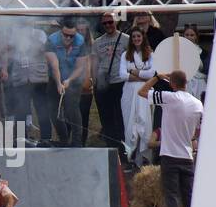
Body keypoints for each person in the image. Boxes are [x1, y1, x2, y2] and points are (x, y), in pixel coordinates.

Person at [139, 70, 203, 207]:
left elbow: (142, 92)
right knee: (188, 196)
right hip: (187, 156)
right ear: (186, 83)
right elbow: (197, 131)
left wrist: (157, 77)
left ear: (172, 83)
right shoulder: (197, 104)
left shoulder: (169, 98)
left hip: (169, 155)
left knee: (172, 196)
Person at [90, 12, 128, 159]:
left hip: (120, 81)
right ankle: (111, 149)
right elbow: (94, 63)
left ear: (116, 22)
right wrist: (94, 81)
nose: (108, 25)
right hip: (103, 83)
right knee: (106, 118)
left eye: (110, 22)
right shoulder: (98, 42)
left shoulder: (126, 39)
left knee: (120, 117)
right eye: (105, 23)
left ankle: (122, 150)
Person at [45, 20, 88, 147]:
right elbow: (54, 65)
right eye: (65, 35)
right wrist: (59, 83)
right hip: (55, 78)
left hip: (73, 79)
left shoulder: (80, 42)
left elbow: (80, 66)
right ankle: (63, 139)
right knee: (53, 109)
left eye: (72, 36)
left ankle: (76, 142)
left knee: (72, 109)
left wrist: (69, 80)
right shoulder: (51, 41)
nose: (68, 38)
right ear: (60, 31)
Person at [120, 24, 156, 168]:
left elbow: (152, 74)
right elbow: (122, 75)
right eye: (134, 37)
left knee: (145, 122)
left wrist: (133, 71)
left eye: (138, 36)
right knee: (130, 125)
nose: (136, 39)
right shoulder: (125, 55)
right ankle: (132, 160)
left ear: (143, 38)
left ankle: (144, 160)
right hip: (129, 92)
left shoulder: (150, 54)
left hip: (145, 92)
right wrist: (142, 76)